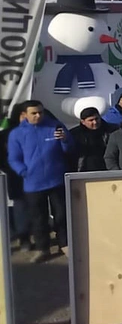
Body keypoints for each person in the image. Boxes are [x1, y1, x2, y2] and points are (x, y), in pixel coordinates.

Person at [7, 101, 72, 261]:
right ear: (25, 115)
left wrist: (65, 140)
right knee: (38, 218)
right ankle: (43, 248)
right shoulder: (17, 134)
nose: (38, 115)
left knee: (61, 214)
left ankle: (65, 244)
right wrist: (24, 171)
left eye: (40, 112)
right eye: (34, 113)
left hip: (56, 180)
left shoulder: (55, 126)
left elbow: (69, 149)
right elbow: (14, 158)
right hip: (33, 183)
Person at [2, 102, 30, 251]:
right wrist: (14, 169)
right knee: (20, 206)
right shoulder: (5, 135)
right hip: (15, 177)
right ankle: (23, 237)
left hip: (36, 177)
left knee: (36, 208)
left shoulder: (38, 130)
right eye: (24, 115)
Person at [69, 107, 112, 173]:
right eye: (91, 120)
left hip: (107, 170)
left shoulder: (111, 131)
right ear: (83, 122)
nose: (95, 122)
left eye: (97, 119)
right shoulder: (74, 134)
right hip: (84, 171)